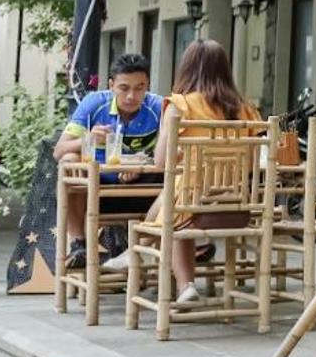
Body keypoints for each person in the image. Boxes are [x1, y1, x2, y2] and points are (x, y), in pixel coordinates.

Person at [150, 40, 263, 309]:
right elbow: (253, 163)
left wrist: (184, 157)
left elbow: (160, 162)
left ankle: (184, 284)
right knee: (171, 201)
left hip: (192, 205)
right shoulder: (246, 108)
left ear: (186, 69)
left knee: (174, 208)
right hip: (237, 205)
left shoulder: (179, 105)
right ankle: (139, 253)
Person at [53, 53, 162, 265]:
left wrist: (139, 166)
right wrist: (88, 139)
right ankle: (79, 244)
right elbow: (59, 151)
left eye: (139, 88)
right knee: (69, 159)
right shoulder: (94, 104)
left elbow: (170, 153)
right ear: (111, 85)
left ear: (148, 86)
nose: (131, 96)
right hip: (96, 189)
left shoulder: (158, 107)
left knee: (178, 173)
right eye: (124, 88)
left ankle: (139, 248)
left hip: (141, 187)